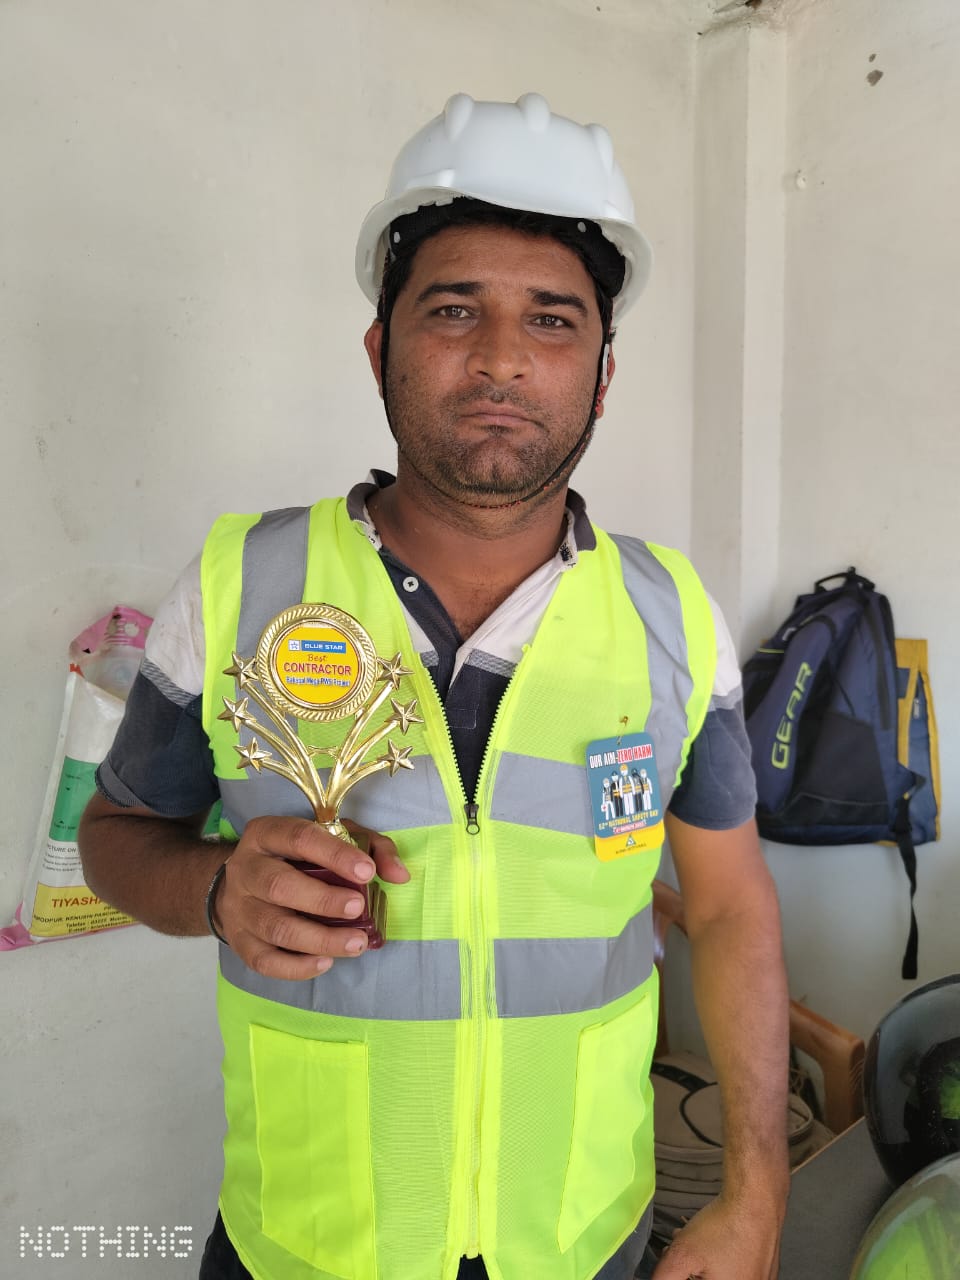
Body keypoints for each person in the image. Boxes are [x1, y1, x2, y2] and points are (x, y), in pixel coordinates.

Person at [79, 93, 789, 1280]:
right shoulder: (242, 585)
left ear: (602, 374)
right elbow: (112, 838)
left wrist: (758, 1192)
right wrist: (212, 886)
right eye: (454, 309)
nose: (502, 356)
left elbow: (727, 907)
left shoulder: (672, 618)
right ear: (380, 349)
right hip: (307, 1246)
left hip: (581, 1240)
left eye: (552, 320)